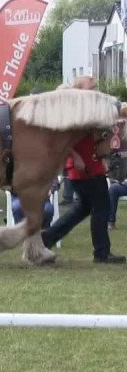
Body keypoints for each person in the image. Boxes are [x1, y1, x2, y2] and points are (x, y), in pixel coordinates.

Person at [41, 76, 126, 264]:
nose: (96, 90)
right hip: (84, 167)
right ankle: (102, 253)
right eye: (92, 87)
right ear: (80, 90)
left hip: (86, 166)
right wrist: (74, 156)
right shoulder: (74, 111)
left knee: (83, 208)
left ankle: (47, 238)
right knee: (101, 205)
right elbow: (60, 137)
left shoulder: (86, 108)